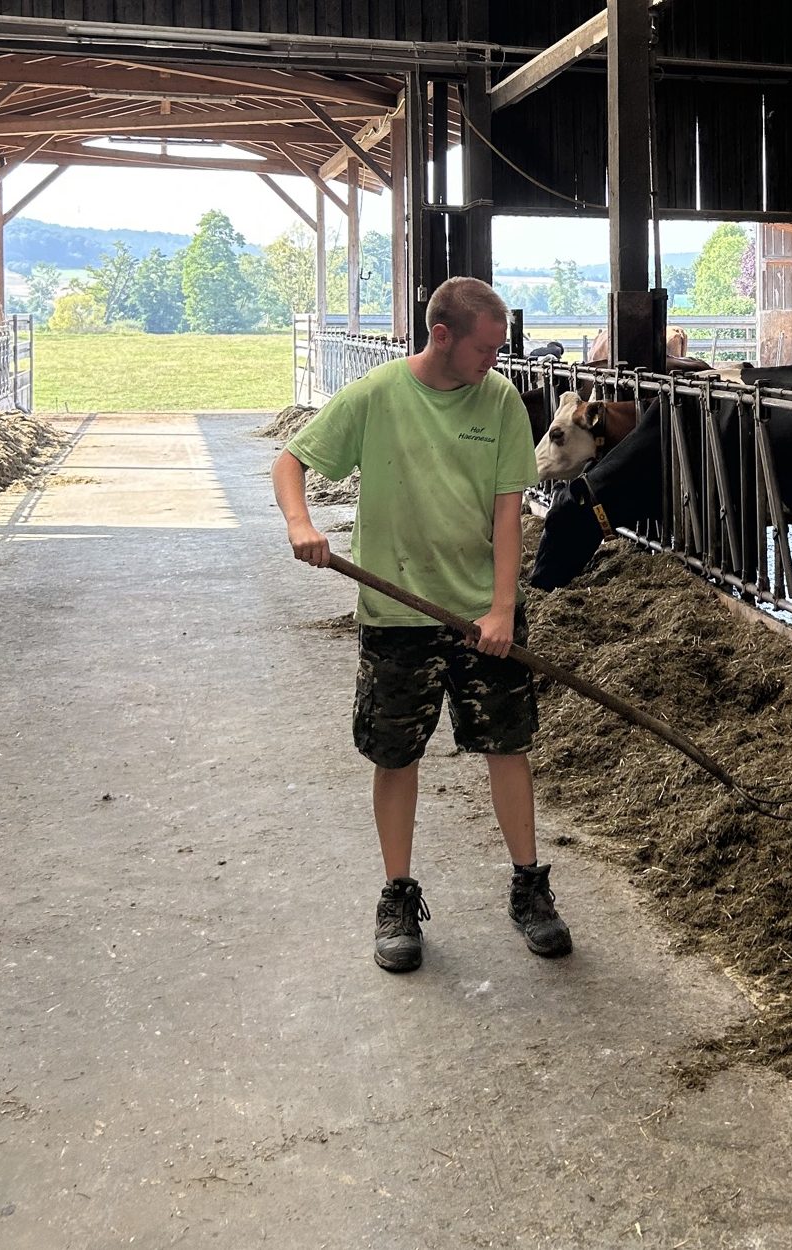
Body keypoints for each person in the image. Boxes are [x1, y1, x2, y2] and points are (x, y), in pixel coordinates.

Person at [272, 276, 571, 971]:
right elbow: (289, 462)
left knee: (508, 744)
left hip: (478, 611)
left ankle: (529, 887)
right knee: (394, 754)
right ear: (442, 336)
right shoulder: (379, 395)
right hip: (396, 612)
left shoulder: (498, 402)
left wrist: (502, 608)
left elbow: (506, 513)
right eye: (486, 349)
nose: (495, 363)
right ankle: (398, 895)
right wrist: (301, 524)